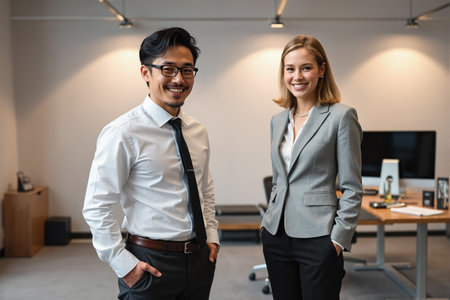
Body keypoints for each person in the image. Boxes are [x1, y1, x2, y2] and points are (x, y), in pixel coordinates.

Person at [83, 27, 219, 300]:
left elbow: (204, 190)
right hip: (150, 262)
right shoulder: (123, 132)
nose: (178, 79)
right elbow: (97, 205)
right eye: (167, 69)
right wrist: (124, 265)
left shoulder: (197, 130)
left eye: (187, 70)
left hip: (199, 260)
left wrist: (212, 237)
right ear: (146, 73)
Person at [260, 35, 363, 300]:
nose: (297, 76)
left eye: (306, 68)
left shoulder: (341, 116)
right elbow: (282, 179)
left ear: (321, 69)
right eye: (290, 69)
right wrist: (267, 224)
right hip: (276, 234)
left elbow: (352, 186)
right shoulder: (277, 120)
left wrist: (338, 239)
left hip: (319, 236)